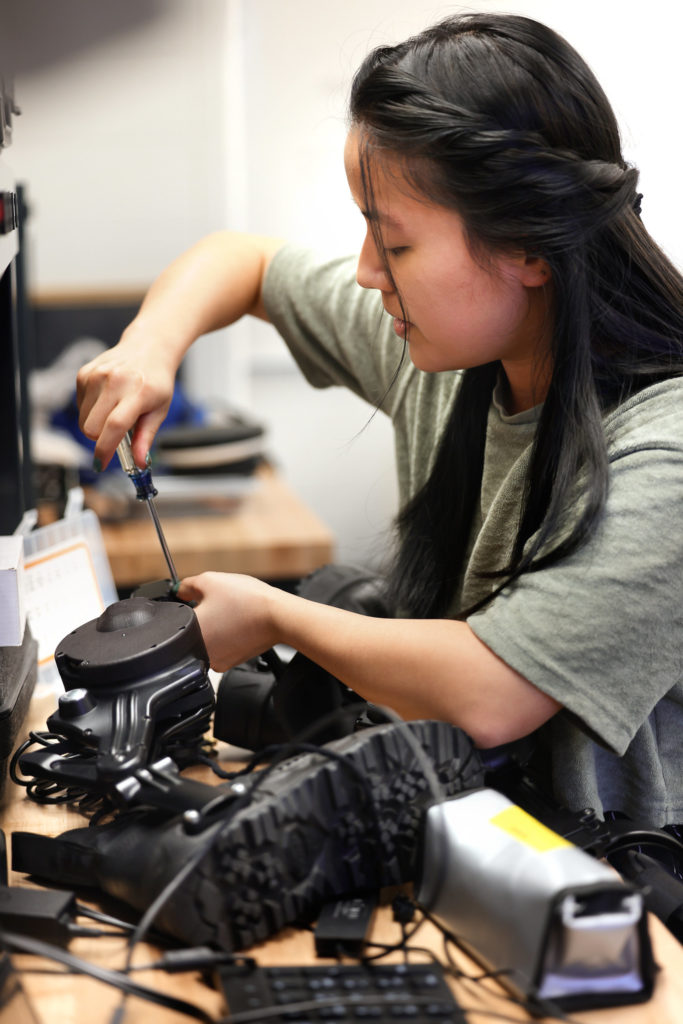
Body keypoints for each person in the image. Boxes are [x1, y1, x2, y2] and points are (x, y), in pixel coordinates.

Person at [76, 13, 683, 828]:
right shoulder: (452, 346)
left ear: (530, 250)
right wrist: (151, 344)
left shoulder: (663, 450)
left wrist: (275, 614)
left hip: (615, 894)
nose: (366, 274)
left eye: (392, 244)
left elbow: (492, 692)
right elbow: (243, 261)